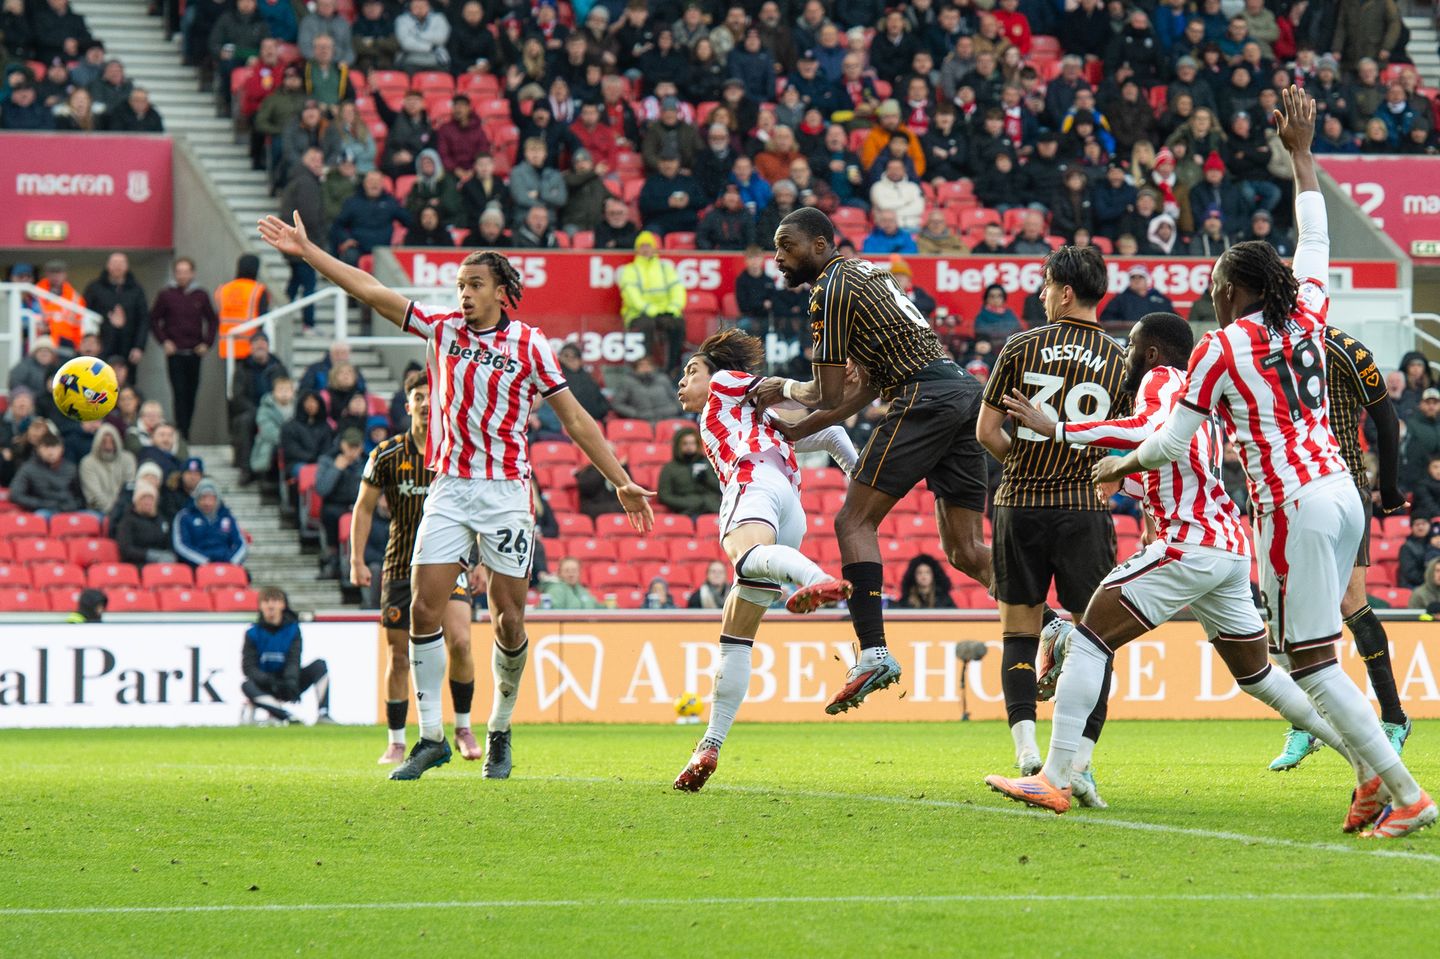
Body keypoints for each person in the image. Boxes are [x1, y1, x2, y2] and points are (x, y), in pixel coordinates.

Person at [1093, 87, 1434, 839]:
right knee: (1318, 650)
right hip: (1341, 487)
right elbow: (1315, 238)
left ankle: (1404, 789)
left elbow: (1174, 444)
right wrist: (1302, 155)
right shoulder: (1309, 311)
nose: (1209, 290)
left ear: (1234, 289)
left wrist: (1119, 467)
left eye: (1216, 282)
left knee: (1309, 661)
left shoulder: (1217, 350)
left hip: (1293, 504)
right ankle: (1374, 781)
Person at [257, 214, 654, 783]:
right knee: (423, 607)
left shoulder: (530, 345)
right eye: (459, 287)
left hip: (505, 493)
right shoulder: (441, 330)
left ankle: (499, 729)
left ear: (500, 292)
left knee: (509, 619)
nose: (463, 295)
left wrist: (619, 477)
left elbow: (576, 419)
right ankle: (431, 737)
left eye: (473, 286)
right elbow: (370, 290)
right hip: (449, 488)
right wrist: (309, 253)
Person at [989, 311, 1353, 815]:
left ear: (1153, 352)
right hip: (1227, 546)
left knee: (1090, 637)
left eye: (1132, 345)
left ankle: (1053, 777)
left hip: (1190, 543)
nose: (1127, 355)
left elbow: (1150, 428)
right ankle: (1364, 758)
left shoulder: (1160, 381)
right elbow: (1171, 464)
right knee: (1258, 676)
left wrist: (1062, 430)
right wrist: (1122, 476)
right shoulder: (1201, 397)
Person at [753, 208, 992, 717]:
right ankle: (1053, 623)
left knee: (853, 520)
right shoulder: (866, 275)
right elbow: (863, 387)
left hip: (923, 398)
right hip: (963, 396)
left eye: (786, 245)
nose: (777, 256)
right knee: (968, 551)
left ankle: (873, 652)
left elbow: (827, 388)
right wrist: (800, 427)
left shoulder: (829, 289)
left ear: (820, 245)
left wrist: (783, 388)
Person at [970, 243, 1128, 790]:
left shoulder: (1019, 346)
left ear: (1063, 292)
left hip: (1020, 506)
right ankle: (1079, 765)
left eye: (1042, 287)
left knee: (1018, 632)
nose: (1039, 297)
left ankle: (1026, 753)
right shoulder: (1122, 358)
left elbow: (987, 432)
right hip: (1084, 509)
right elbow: (1128, 446)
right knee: (1096, 639)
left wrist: (1028, 461)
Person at [673, 328, 856, 791]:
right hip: (789, 507)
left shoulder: (725, 384)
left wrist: (797, 388)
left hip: (753, 480)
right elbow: (831, 432)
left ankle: (812, 578)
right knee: (736, 634)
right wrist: (860, 479)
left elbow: (766, 385)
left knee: (745, 555)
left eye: (690, 371)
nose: (682, 382)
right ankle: (709, 745)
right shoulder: (760, 422)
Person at [1266, 326, 1411, 770]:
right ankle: (1305, 725)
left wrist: (1387, 488)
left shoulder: (1344, 347)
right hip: (1291, 487)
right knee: (1294, 608)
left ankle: (1394, 718)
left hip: (1344, 482)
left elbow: (1386, 417)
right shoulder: (1264, 347)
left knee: (1352, 600)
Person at [351, 371, 480, 766]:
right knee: (399, 656)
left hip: (449, 563)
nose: (425, 403)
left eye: (431, 396)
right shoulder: (386, 454)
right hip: (400, 566)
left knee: (460, 641)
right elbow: (364, 507)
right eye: (418, 397)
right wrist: (356, 560)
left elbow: (477, 506)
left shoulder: (456, 452)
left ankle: (462, 725)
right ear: (408, 406)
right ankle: (395, 740)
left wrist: (478, 558)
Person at [241, 587, 334, 725]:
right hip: (265, 684)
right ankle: (287, 716)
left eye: (275, 601)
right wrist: (269, 681)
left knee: (319, 666)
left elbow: (294, 659)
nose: (271, 605)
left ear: (283, 605)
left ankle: (323, 714)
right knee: (247, 685)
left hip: (290, 682)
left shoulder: (293, 630)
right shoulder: (253, 633)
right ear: (260, 606)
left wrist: (290, 682)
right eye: (266, 601)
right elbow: (248, 667)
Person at [149, 257, 218, 439]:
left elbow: (212, 320)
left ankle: (186, 430)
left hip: (194, 353)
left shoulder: (201, 295)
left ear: (193, 273)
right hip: (175, 354)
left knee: (191, 393)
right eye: (179, 272)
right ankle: (181, 434)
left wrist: (207, 343)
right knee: (179, 393)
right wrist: (164, 341)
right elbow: (154, 319)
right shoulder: (166, 295)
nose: (182, 276)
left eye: (186, 272)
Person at [617, 232, 687, 372]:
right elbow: (631, 295)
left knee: (677, 324)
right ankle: (644, 367)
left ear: (654, 248)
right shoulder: (630, 270)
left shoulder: (665, 268)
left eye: (648, 245)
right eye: (641, 246)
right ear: (637, 249)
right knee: (646, 326)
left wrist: (673, 307)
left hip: (664, 311)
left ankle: (673, 368)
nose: (645, 249)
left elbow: (677, 289)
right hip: (638, 313)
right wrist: (648, 308)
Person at [83, 252, 149, 381]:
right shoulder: (94, 288)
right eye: (114, 263)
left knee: (127, 382)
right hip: (102, 344)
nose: (117, 267)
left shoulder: (136, 289)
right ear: (108, 266)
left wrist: (139, 347)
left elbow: (144, 319)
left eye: (121, 263)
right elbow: (86, 315)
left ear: (127, 266)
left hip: (128, 346)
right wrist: (108, 321)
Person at [173, 478, 247, 566]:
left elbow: (241, 544)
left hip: (226, 565)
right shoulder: (185, 517)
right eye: (203, 497)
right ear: (197, 499)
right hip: (197, 567)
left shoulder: (227, 517)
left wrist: (232, 563)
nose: (207, 503)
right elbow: (181, 545)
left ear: (217, 499)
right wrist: (206, 562)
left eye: (211, 498)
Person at [10, 432, 82, 516]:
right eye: (46, 447)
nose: (50, 452)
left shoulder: (71, 468)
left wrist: (73, 504)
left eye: (54, 447)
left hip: (69, 508)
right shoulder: (28, 468)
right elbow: (15, 495)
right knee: (41, 516)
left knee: (93, 517)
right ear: (38, 449)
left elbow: (79, 496)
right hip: (43, 509)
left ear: (62, 449)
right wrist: (43, 504)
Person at [214, 255, 269, 361]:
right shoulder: (258, 290)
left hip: (227, 345)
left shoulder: (223, 290)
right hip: (250, 347)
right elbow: (262, 319)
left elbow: (218, 317)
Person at [658, 427, 721, 516]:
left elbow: (721, 488)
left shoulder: (709, 464)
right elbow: (664, 496)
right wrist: (688, 503)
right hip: (687, 512)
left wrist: (707, 478)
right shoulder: (669, 468)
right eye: (685, 444)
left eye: (692, 443)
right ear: (678, 446)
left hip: (712, 509)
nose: (689, 447)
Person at [79, 422, 135, 514]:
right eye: (104, 442)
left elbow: (129, 488)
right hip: (97, 510)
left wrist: (120, 510)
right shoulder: (87, 463)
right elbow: (94, 495)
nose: (108, 446)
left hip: (125, 510)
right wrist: (113, 512)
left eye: (112, 441)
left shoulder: (128, 459)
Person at [1101, 266, 1174, 326]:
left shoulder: (1160, 299)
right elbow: (1107, 318)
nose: (1137, 280)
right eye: (1133, 277)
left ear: (1147, 280)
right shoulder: (1120, 300)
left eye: (1140, 277)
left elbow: (1173, 318)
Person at [1399, 514, 1432, 589]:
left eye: (1423, 523)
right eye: (1417, 524)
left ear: (1430, 525)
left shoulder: (1434, 544)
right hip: (1413, 586)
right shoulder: (1406, 547)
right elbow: (1410, 574)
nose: (1420, 527)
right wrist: (1430, 581)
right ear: (1412, 527)